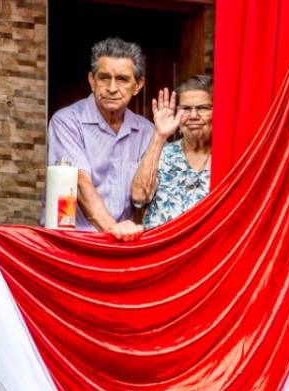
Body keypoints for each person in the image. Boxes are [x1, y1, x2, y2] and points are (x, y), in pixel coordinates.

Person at [47, 38, 153, 241]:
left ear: (138, 85)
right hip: (73, 243)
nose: (112, 88)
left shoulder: (147, 132)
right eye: (104, 78)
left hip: (120, 244)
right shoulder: (67, 122)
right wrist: (114, 229)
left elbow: (144, 196)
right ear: (92, 81)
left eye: (122, 79)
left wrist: (160, 137)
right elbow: (80, 184)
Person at [131, 75, 214, 228]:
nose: (193, 116)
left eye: (202, 108)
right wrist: (159, 135)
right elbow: (139, 196)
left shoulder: (228, 156)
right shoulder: (163, 154)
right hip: (162, 249)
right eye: (186, 109)